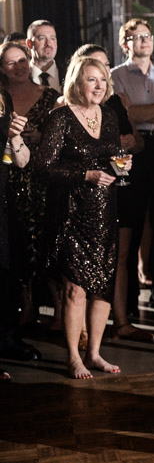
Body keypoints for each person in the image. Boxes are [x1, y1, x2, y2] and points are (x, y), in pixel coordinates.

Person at [37, 56, 132, 379]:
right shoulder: (60, 118)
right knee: (75, 289)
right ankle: (74, 357)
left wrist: (121, 168)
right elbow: (43, 167)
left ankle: (94, 353)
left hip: (105, 211)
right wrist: (84, 175)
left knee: (102, 286)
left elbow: (112, 160)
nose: (98, 85)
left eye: (102, 80)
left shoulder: (109, 116)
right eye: (91, 79)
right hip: (70, 214)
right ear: (77, 82)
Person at [72, 44, 153, 344]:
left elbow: (139, 144)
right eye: (95, 68)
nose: (102, 75)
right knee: (84, 260)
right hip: (84, 193)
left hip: (119, 188)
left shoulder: (116, 103)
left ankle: (120, 322)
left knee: (119, 255)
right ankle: (80, 330)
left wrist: (131, 143)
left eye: (106, 68)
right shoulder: (66, 107)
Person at [110, 18, 154, 313]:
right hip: (130, 151)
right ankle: (130, 298)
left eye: (148, 36)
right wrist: (151, 112)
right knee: (131, 222)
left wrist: (138, 111)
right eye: (137, 37)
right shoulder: (115, 75)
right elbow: (123, 116)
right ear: (125, 43)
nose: (145, 41)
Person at [1, 42, 60, 330]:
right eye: (11, 63)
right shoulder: (1, 99)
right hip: (9, 180)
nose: (19, 66)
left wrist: (41, 138)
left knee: (47, 241)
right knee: (18, 244)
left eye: (22, 60)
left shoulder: (50, 96)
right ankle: (26, 307)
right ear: (2, 68)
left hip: (42, 178)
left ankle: (61, 311)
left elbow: (63, 137)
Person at [0, 83, 34, 371]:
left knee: (7, 270)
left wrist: (15, 136)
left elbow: (19, 161)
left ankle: (7, 336)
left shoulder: (3, 97)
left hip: (4, 196)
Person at [26, 20, 60, 91]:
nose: (48, 44)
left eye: (52, 38)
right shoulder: (21, 76)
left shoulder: (70, 73)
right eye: (42, 38)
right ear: (29, 44)